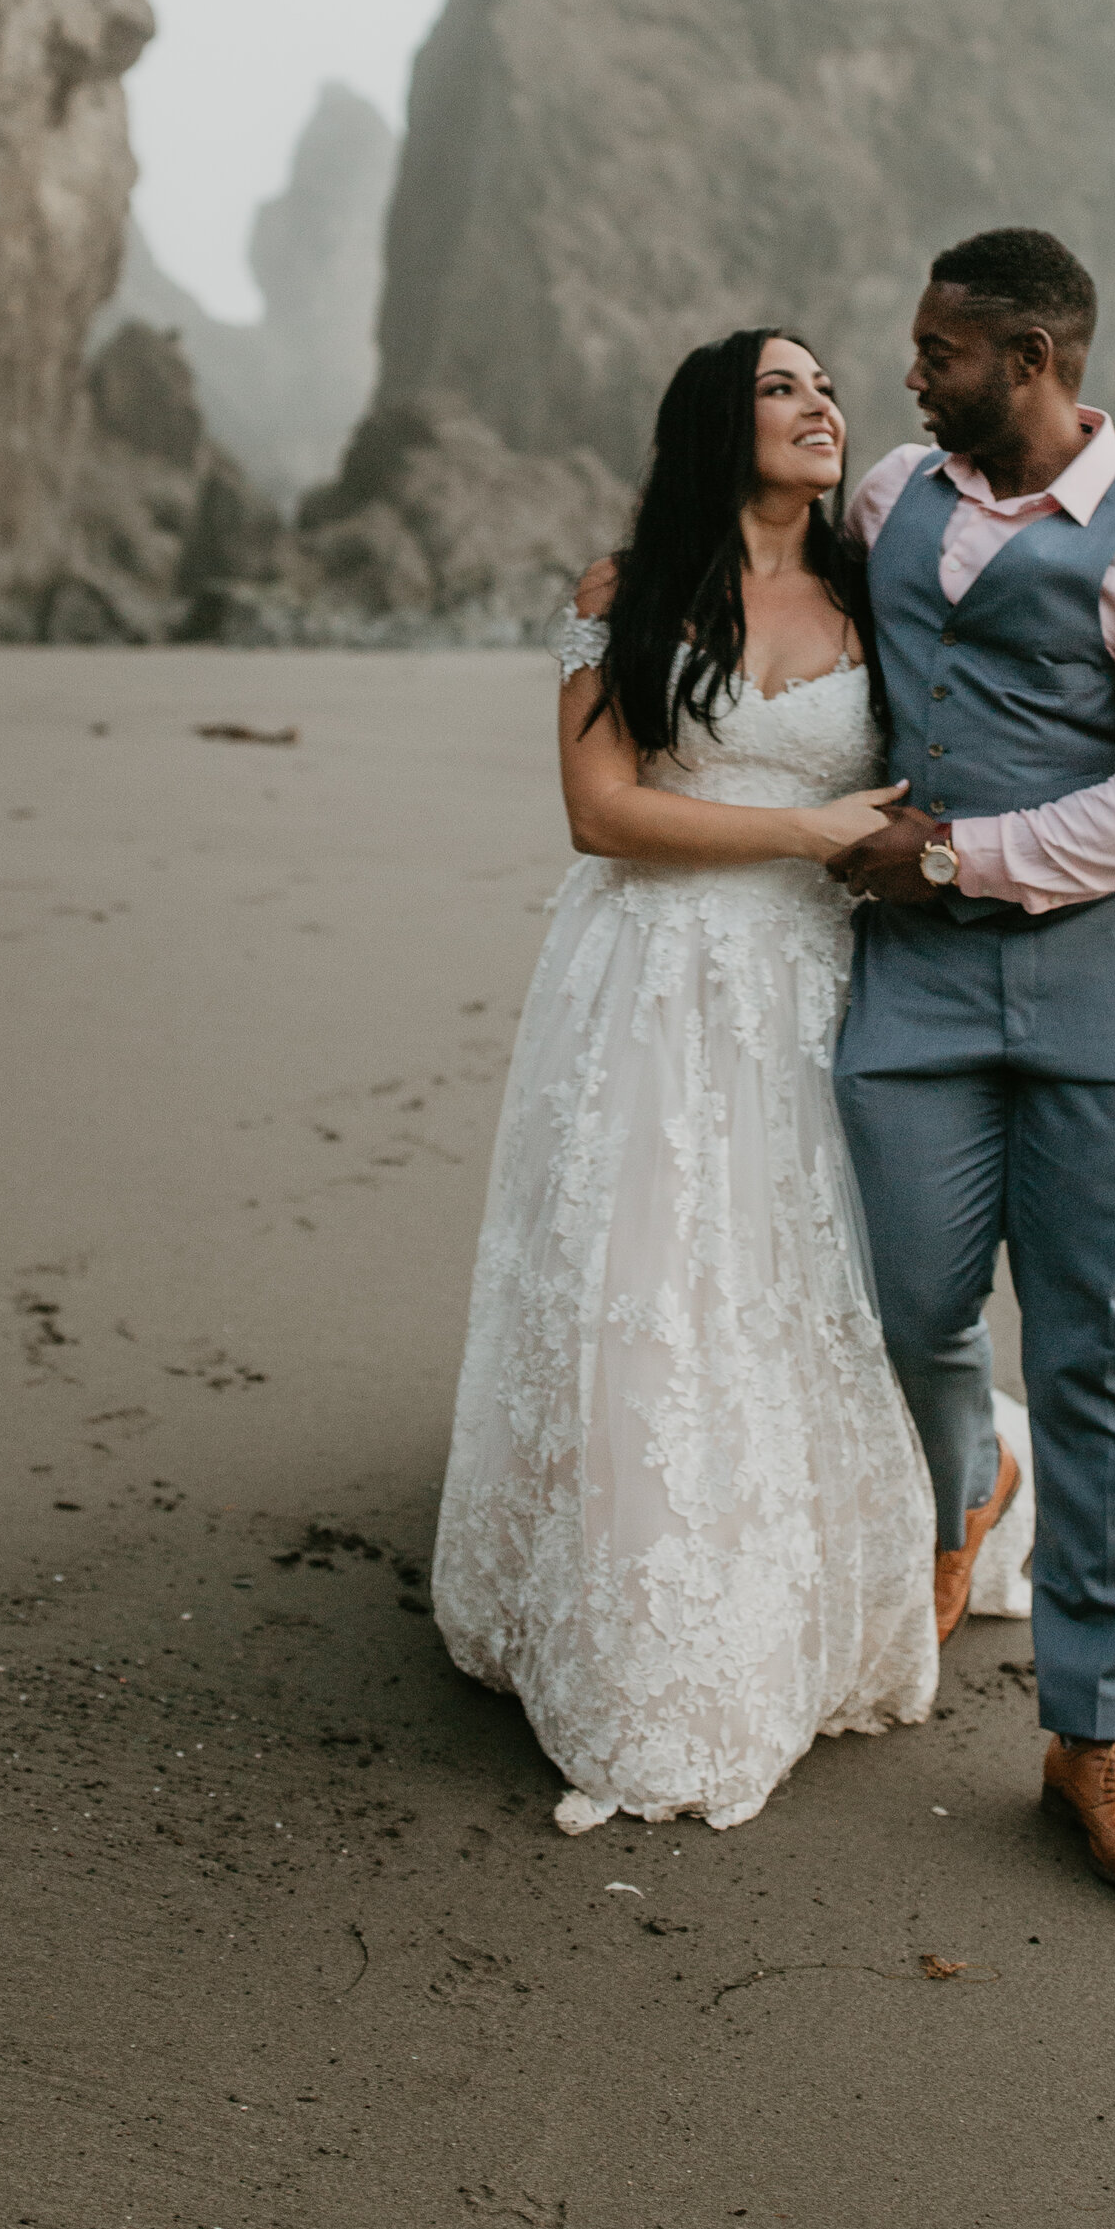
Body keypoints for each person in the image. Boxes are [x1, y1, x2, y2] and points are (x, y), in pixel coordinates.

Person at [431, 329, 942, 1832]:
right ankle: (631, 1609)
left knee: (787, 1277)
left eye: (827, 386)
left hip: (810, 983)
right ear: (720, 422)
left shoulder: (868, 597)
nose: (820, 406)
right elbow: (601, 811)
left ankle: (796, 1577)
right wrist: (805, 834)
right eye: (783, 386)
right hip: (650, 973)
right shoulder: (626, 590)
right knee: (645, 1271)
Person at [829, 227, 1115, 1907]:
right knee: (912, 1300)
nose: (911, 372)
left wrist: (952, 858)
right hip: (918, 998)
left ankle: (1093, 1737)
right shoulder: (889, 493)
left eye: (939, 349)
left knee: (1095, 1355)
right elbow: (775, 587)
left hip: (1108, 1002)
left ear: (1029, 355)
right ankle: (966, 1477)